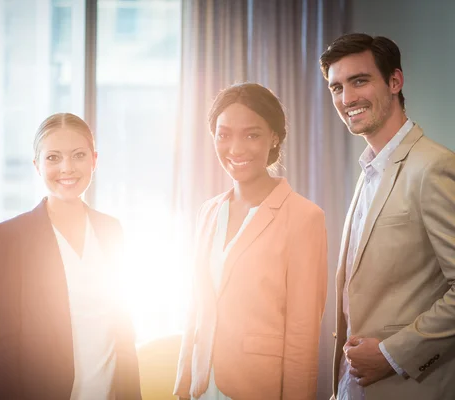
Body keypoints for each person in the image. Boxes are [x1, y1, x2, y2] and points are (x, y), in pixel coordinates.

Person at [320, 33, 455, 400]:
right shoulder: (369, 171)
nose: (347, 99)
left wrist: (392, 355)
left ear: (395, 81)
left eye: (359, 81)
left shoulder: (433, 167)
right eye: (336, 87)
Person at [173, 83, 328, 400]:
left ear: (274, 137)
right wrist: (184, 382)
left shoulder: (304, 217)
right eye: (224, 134)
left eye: (252, 134)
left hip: (258, 388)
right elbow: (197, 308)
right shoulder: (209, 212)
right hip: (202, 385)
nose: (236, 148)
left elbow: (302, 333)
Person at [0, 112, 142, 399]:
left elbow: (124, 334)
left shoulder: (111, 230)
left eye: (78, 155)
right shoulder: (10, 237)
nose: (67, 168)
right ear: (37, 165)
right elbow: (2, 349)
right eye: (53, 158)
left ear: (94, 160)